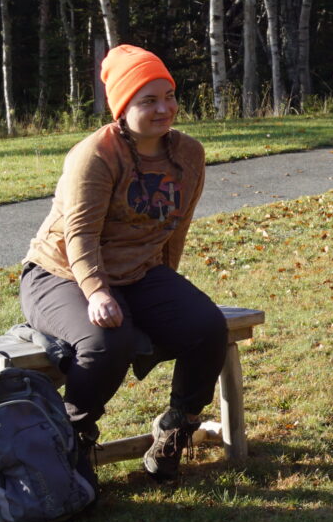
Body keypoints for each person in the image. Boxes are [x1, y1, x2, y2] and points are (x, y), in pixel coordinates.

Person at [19, 44, 229, 488]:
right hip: (60, 273)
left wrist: (168, 284)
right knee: (107, 341)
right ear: (123, 107)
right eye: (147, 101)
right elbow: (80, 234)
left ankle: (175, 429)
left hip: (138, 272)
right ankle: (72, 438)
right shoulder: (95, 154)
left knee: (207, 325)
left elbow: (175, 228)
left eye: (168, 96)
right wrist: (96, 292)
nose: (163, 109)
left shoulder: (189, 154)